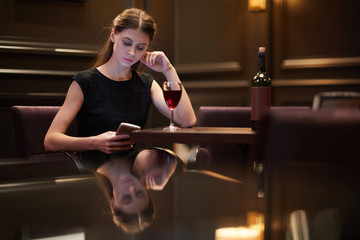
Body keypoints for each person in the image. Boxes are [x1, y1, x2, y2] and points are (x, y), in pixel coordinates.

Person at [44, 8, 196, 165]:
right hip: (94, 167)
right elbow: (51, 140)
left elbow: (187, 120)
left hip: (129, 167)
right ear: (113, 35)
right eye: (127, 43)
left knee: (159, 157)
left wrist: (168, 70)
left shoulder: (146, 83)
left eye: (140, 47)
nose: (131, 52)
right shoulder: (85, 81)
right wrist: (95, 142)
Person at [95, 156, 155, 233]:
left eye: (126, 198)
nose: (131, 188)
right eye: (139, 193)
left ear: (113, 204)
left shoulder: (85, 159)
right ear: (146, 189)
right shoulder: (144, 157)